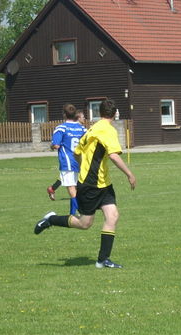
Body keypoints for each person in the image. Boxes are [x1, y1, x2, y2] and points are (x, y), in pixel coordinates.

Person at [34, 99, 136, 269]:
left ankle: (103, 260)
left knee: (113, 216)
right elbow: (113, 155)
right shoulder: (107, 130)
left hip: (104, 183)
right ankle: (50, 219)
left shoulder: (92, 128)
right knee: (84, 223)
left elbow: (77, 152)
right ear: (115, 113)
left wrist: (84, 166)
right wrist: (129, 174)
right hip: (90, 184)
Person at [48, 105, 87, 215]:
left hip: (68, 161)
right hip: (80, 161)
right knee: (76, 187)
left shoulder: (61, 128)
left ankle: (81, 212)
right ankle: (72, 214)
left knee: (71, 189)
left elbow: (56, 145)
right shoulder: (82, 129)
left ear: (64, 114)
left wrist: (51, 146)